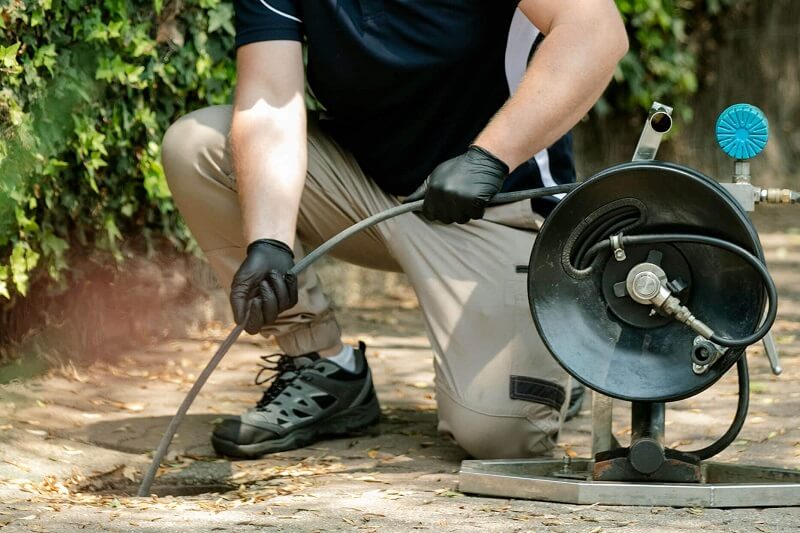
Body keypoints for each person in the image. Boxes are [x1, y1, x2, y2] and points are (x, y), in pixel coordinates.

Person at [161, 0, 628, 460]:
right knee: (197, 147)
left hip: (496, 205)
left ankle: (556, 362)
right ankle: (322, 367)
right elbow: (270, 101)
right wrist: (269, 240)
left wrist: (491, 155)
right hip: (363, 195)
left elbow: (595, 30)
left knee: (499, 437)